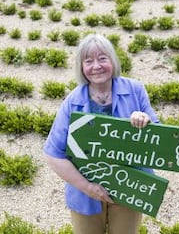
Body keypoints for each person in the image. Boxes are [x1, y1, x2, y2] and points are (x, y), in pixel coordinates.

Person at [43, 33, 160, 234]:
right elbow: (53, 154)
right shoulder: (72, 101)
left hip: (129, 188)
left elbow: (158, 139)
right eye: (88, 61)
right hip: (86, 195)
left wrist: (146, 122)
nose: (96, 66)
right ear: (82, 68)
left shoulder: (135, 90)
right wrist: (88, 187)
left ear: (113, 61)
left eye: (102, 59)